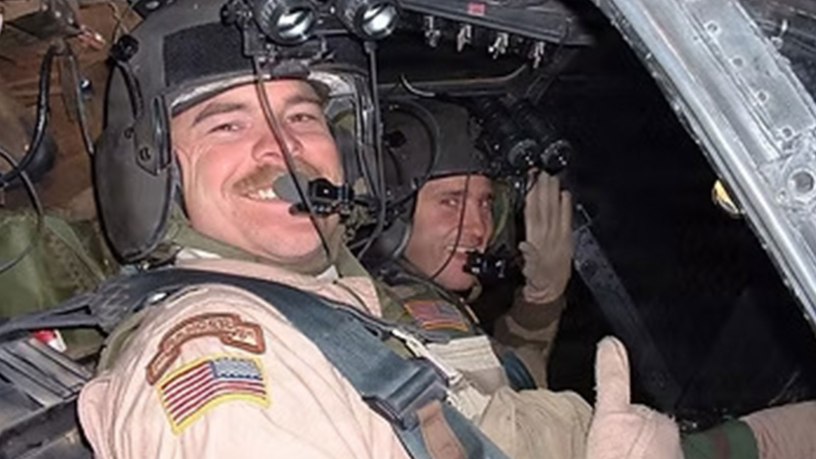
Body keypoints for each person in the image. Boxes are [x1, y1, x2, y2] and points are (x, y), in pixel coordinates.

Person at [364, 98, 574, 390]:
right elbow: (512, 406)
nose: (477, 228)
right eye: (450, 202)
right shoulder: (410, 312)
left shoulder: (390, 290)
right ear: (394, 212)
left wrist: (539, 302)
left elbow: (504, 368)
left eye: (486, 203)